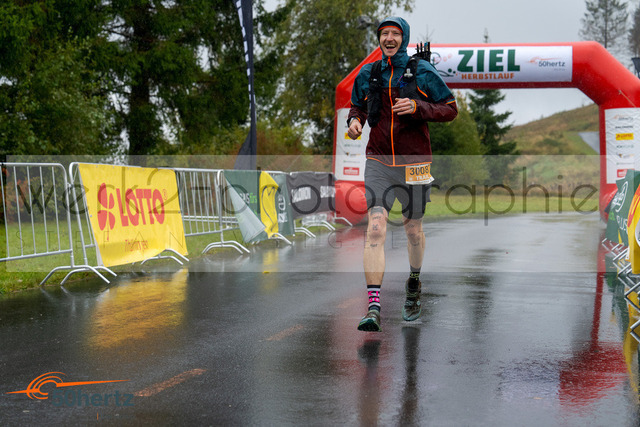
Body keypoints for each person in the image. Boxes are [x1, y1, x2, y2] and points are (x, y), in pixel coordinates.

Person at [347, 16, 458, 331]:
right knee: (375, 229)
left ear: (404, 38)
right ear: (379, 39)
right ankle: (373, 307)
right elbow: (358, 106)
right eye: (384, 34)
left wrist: (418, 107)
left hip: (415, 164)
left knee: (413, 230)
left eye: (395, 33)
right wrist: (354, 122)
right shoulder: (369, 73)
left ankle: (413, 282)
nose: (389, 38)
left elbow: (451, 108)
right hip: (379, 161)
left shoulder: (422, 71)